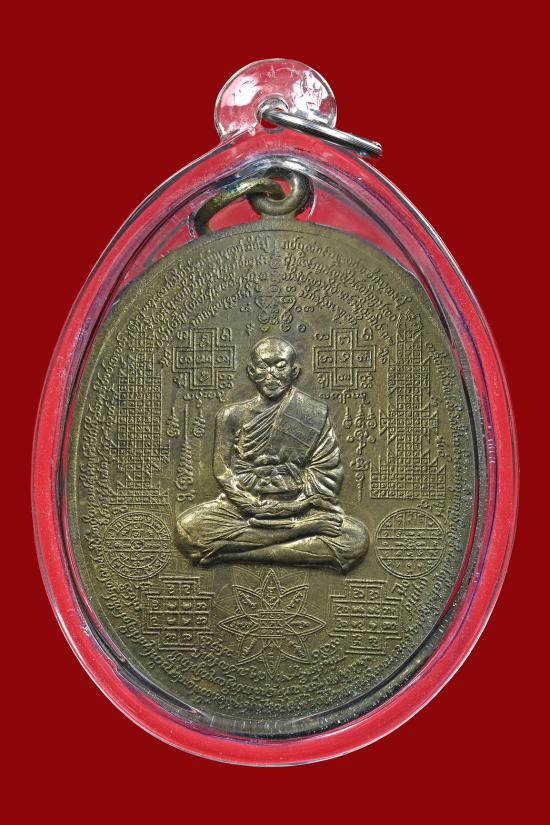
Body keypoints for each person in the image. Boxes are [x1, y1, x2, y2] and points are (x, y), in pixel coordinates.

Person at [176, 337, 369, 572]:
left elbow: (326, 471)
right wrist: (251, 505)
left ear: (294, 371)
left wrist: (294, 507)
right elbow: (222, 470)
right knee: (187, 529)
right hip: (241, 510)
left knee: (356, 538)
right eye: (263, 366)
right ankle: (300, 532)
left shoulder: (314, 413)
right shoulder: (230, 415)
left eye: (280, 366)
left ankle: (229, 553)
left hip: (300, 507)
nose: (271, 375)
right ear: (251, 371)